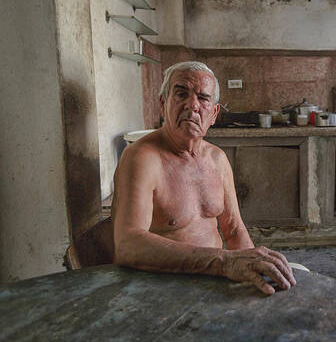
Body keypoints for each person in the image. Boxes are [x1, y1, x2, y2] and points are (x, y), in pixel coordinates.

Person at [111, 61, 296, 295]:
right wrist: (225, 262)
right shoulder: (141, 158)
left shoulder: (217, 159)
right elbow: (128, 245)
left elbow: (234, 230)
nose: (192, 105)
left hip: (214, 282)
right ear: (162, 104)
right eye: (181, 94)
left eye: (203, 98)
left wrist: (253, 269)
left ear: (214, 114)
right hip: (162, 287)